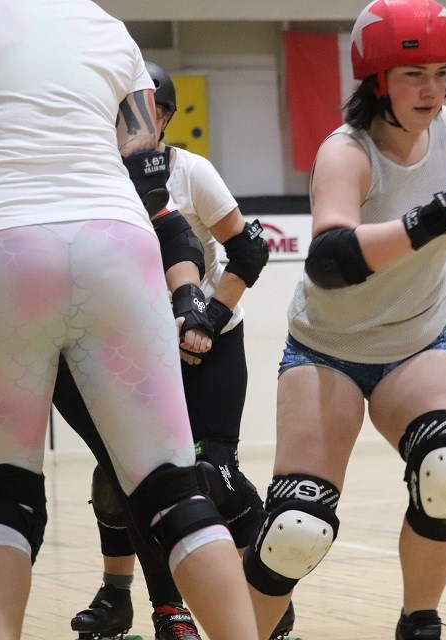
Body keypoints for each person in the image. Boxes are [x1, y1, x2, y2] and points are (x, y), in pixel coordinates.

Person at [0, 2, 257, 638]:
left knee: (0, 492)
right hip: (116, 246)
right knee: (174, 487)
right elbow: (147, 176)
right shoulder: (109, 28)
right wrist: (185, 292)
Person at [238, 1, 446, 638]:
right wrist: (424, 224)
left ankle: (419, 623)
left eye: (442, 73)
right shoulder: (346, 152)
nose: (433, 90)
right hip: (325, 350)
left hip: (417, 342)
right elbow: (331, 260)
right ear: (376, 80)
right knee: (295, 533)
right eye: (414, 74)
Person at [69, 60, 291, 640]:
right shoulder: (93, 177)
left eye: (150, 113)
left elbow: (248, 253)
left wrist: (208, 319)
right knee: (122, 481)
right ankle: (133, 602)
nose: (138, 123)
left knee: (211, 475)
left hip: (212, 341)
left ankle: (269, 586)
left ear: (162, 118)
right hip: (140, 348)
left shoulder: (190, 172)